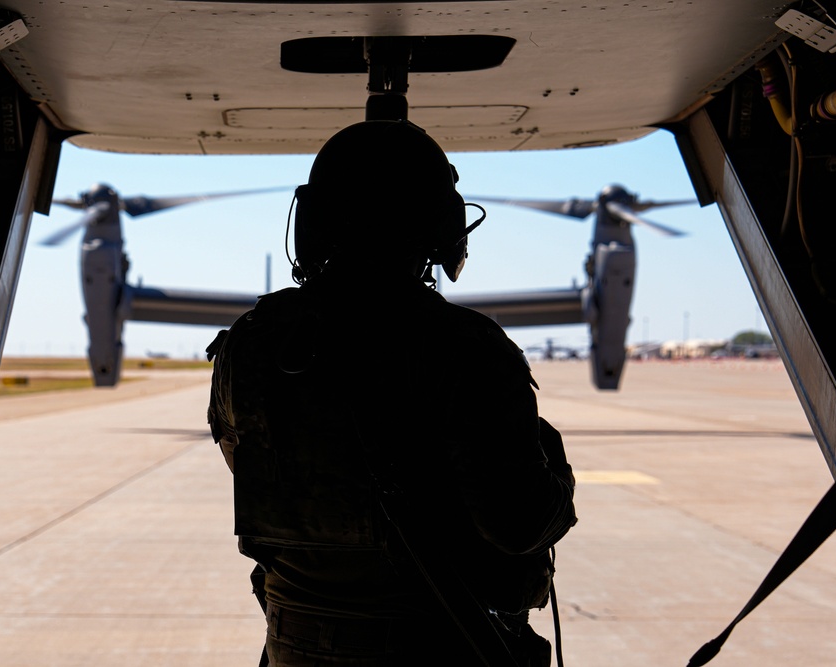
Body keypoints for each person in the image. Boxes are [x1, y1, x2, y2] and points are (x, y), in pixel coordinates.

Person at [207, 119, 577, 666]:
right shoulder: (466, 347)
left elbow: (258, 472)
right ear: (442, 223)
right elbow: (518, 523)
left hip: (296, 645)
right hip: (442, 642)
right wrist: (557, 474)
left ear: (313, 220)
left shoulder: (253, 343)